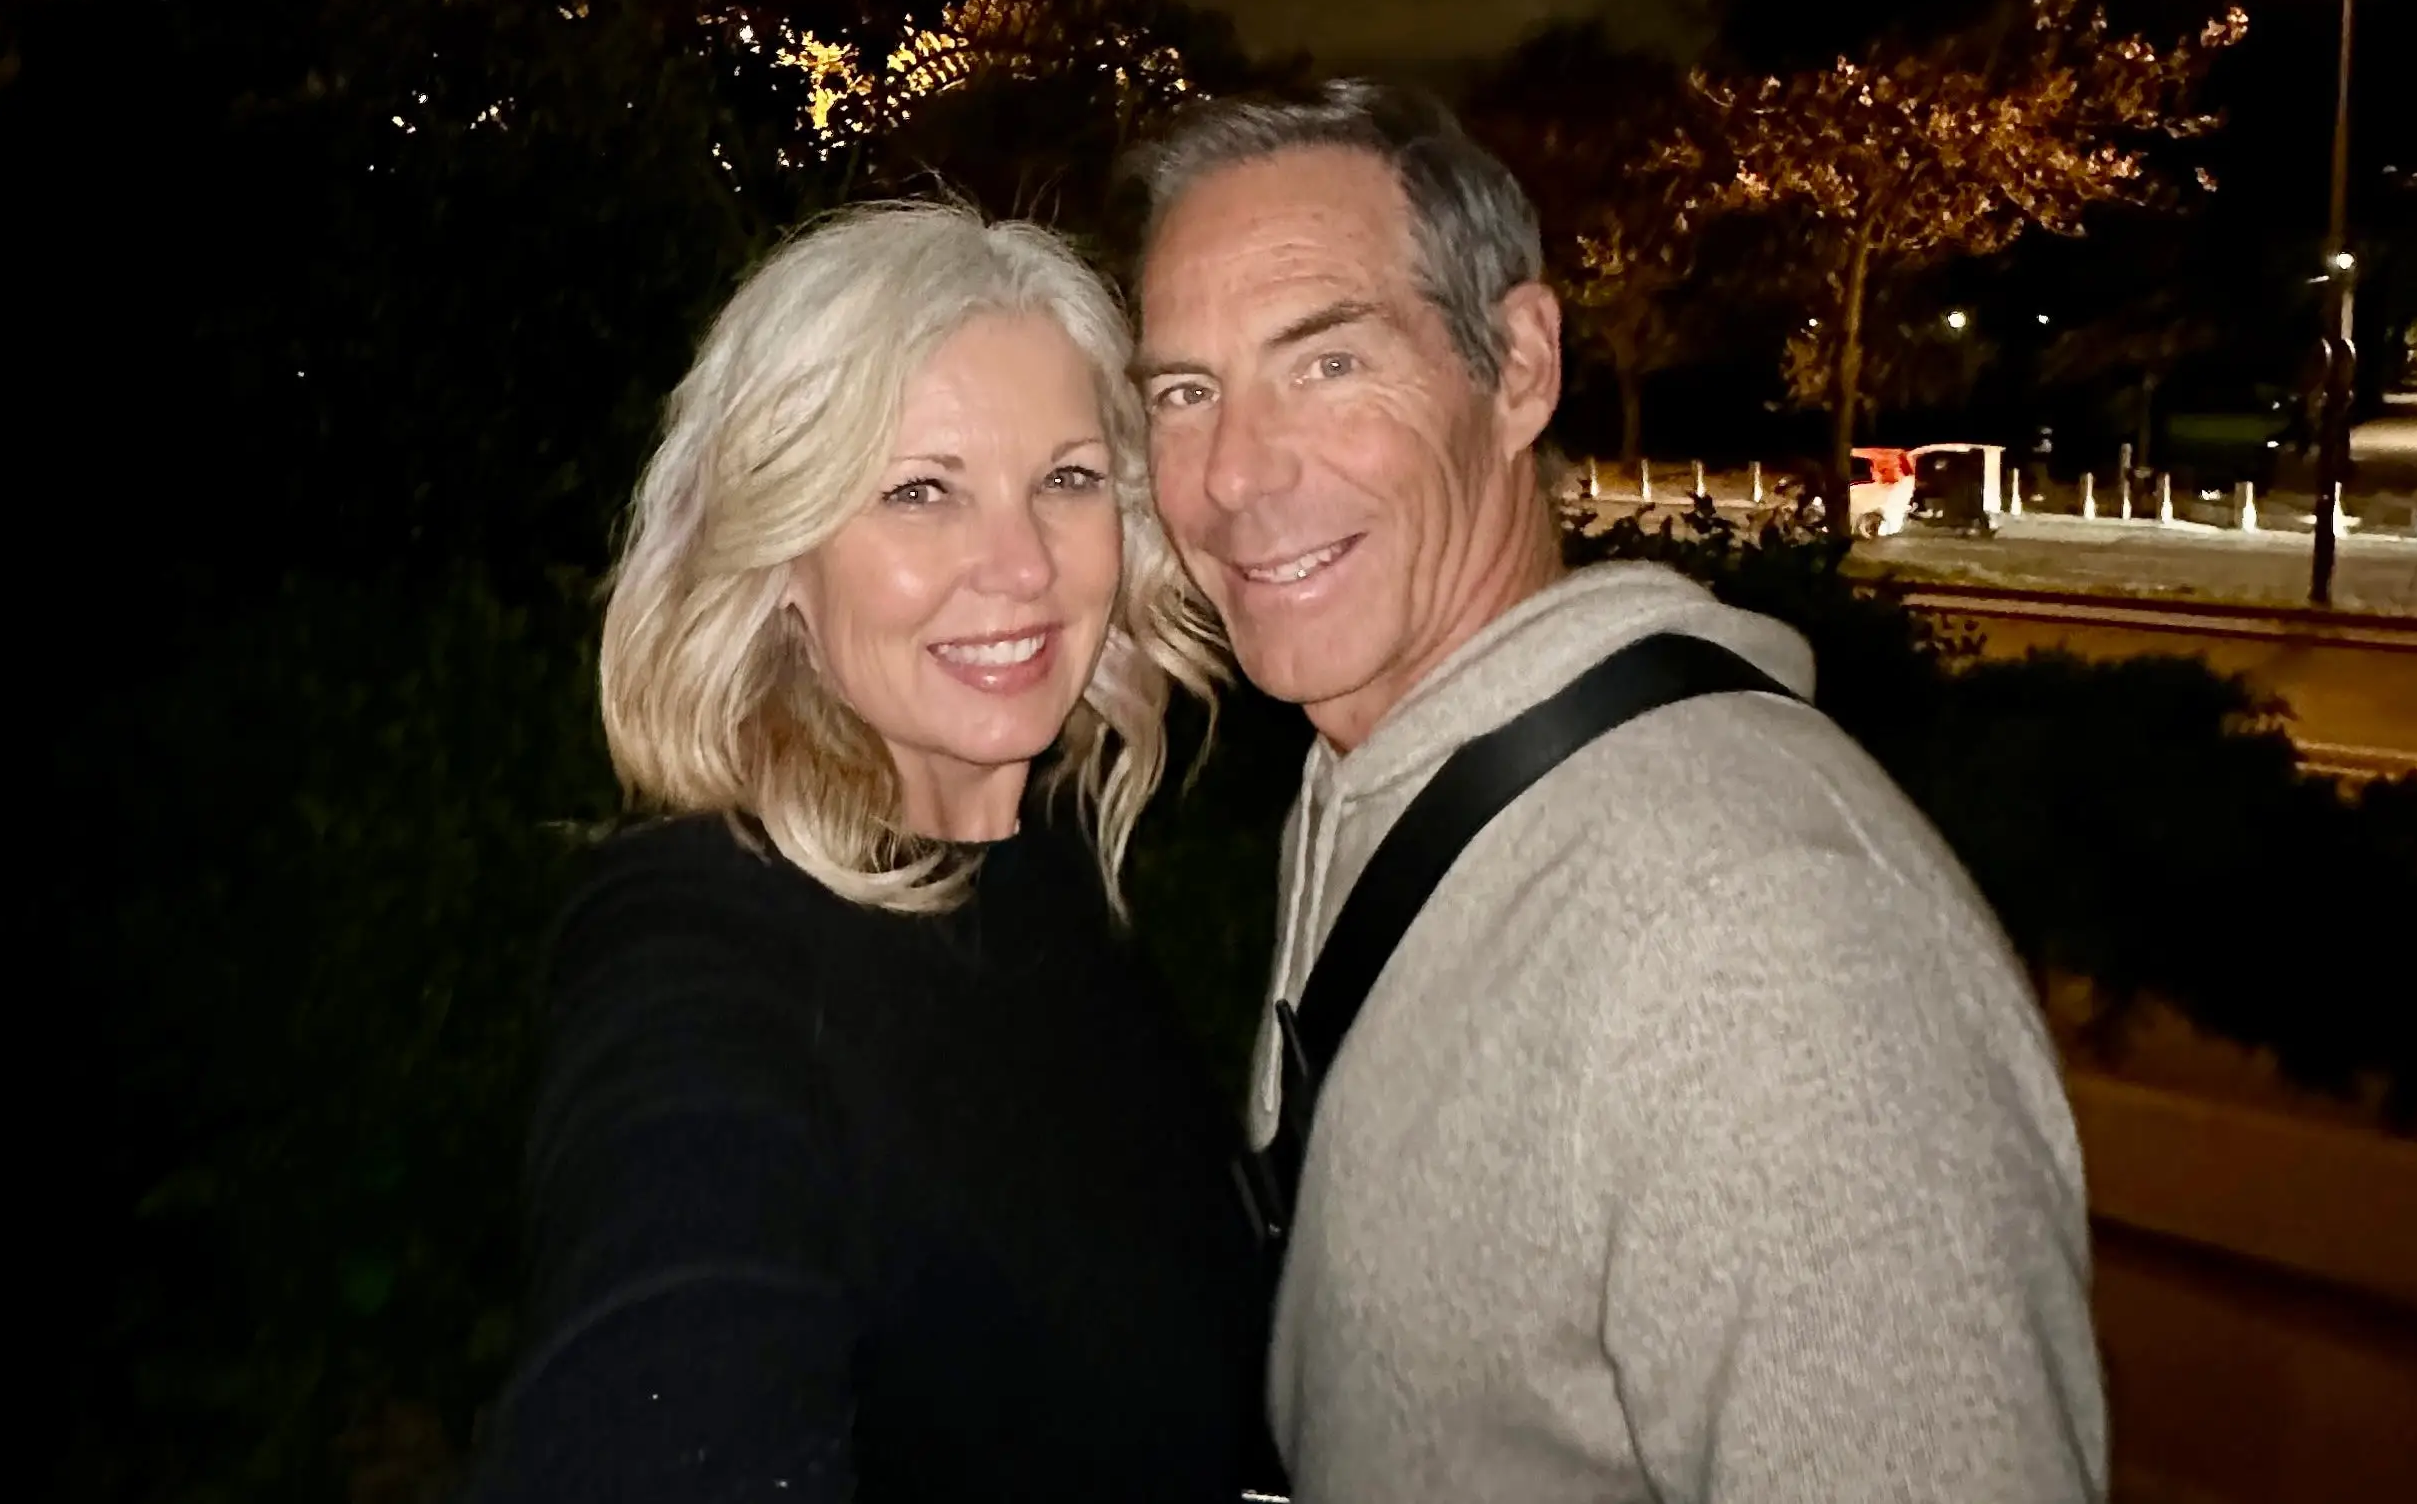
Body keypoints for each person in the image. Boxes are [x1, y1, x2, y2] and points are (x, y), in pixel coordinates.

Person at [1130, 83, 2105, 1503]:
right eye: (1182, 392)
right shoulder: (1394, 775)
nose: (1230, 476)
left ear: (1519, 366)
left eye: (1328, 364)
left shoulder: (1767, 942)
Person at [473, 204, 1272, 1504]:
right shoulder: (699, 940)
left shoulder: (1047, 868)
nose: (1018, 566)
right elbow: (661, 1350)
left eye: (1066, 480)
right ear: (783, 557)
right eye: (919, 492)